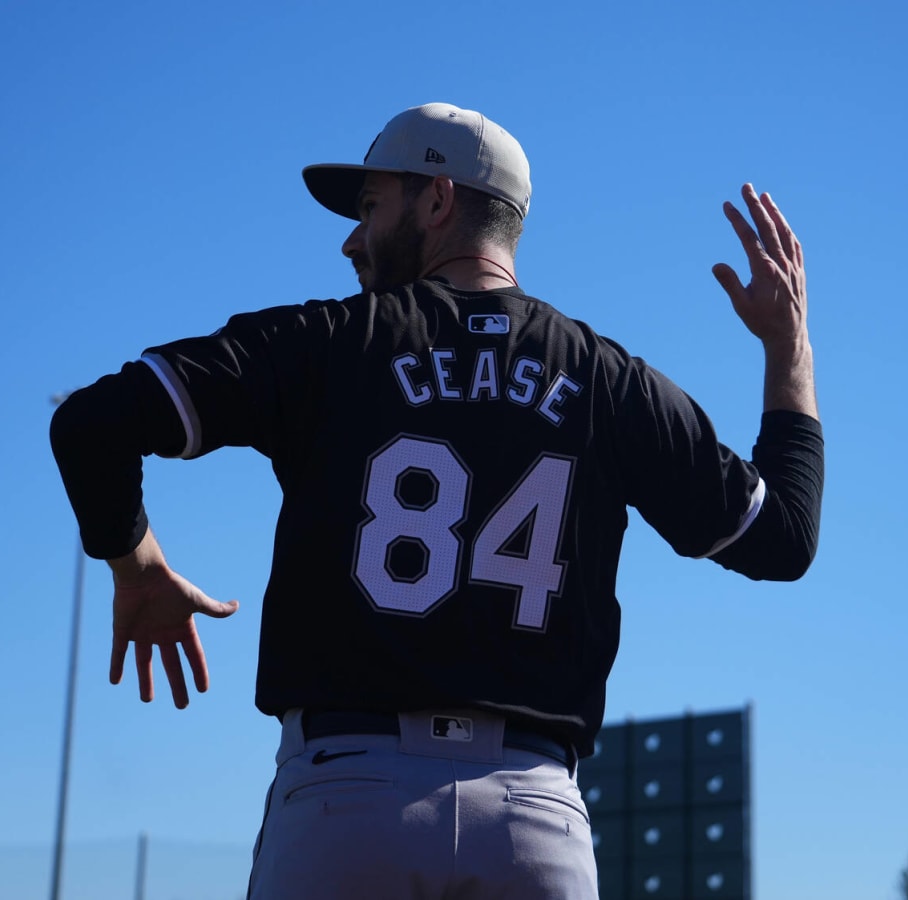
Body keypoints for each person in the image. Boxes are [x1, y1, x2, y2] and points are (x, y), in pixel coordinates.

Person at [50, 102, 823, 899]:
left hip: (344, 801)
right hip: (535, 819)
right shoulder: (610, 383)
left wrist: (136, 566)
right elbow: (785, 539)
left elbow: (90, 423)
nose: (353, 238)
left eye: (371, 207)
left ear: (439, 201)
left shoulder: (330, 342)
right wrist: (786, 345)